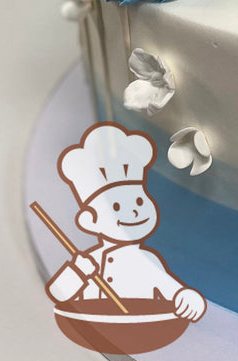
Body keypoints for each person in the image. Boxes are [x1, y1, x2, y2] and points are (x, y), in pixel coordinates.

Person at [45, 122, 206, 323]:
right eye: (116, 207)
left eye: (139, 201)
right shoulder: (90, 262)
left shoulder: (147, 263)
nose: (134, 211)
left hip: (140, 329)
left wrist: (188, 299)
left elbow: (174, 293)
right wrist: (77, 272)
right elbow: (59, 293)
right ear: (89, 220)